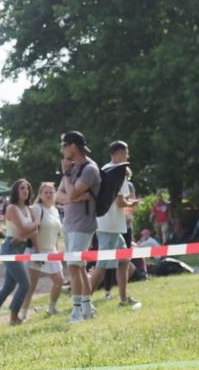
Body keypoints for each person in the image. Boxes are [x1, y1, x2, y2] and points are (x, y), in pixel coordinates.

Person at [0, 179, 37, 329]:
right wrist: (36, 224)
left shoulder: (29, 209)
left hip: (19, 247)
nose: (25, 191)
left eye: (27, 188)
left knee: (8, 287)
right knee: (25, 284)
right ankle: (13, 318)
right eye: (22, 188)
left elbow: (31, 232)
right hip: (10, 248)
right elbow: (26, 229)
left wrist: (26, 234)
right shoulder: (12, 208)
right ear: (16, 191)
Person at [55, 131, 102, 323]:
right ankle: (86, 307)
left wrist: (67, 177)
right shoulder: (72, 168)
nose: (62, 150)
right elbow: (58, 196)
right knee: (78, 268)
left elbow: (72, 193)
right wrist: (72, 197)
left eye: (64, 146)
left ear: (73, 146)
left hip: (83, 225)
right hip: (69, 224)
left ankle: (77, 312)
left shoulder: (90, 169)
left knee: (74, 267)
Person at [89, 141, 142, 309]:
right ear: (118, 153)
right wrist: (133, 203)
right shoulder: (117, 171)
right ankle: (84, 302)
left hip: (110, 225)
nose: (128, 156)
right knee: (102, 265)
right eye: (126, 153)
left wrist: (128, 202)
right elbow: (120, 203)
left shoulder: (106, 168)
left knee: (124, 260)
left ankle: (123, 299)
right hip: (110, 225)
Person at [21, 182, 64, 317]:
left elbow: (56, 234)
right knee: (31, 285)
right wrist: (38, 254)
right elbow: (33, 232)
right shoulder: (36, 209)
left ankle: (51, 308)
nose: (49, 194)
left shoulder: (56, 210)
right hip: (36, 251)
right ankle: (23, 314)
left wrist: (56, 252)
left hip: (52, 252)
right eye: (46, 192)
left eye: (51, 192)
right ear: (40, 194)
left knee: (59, 281)